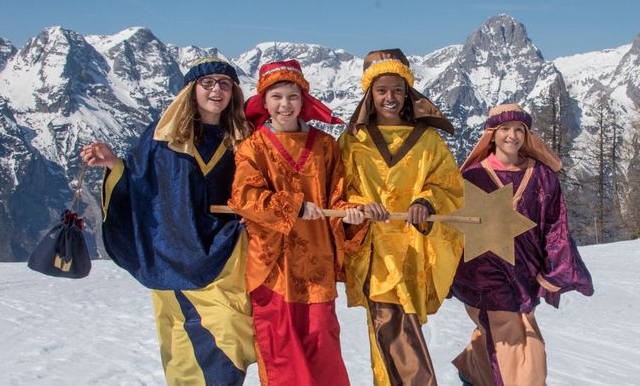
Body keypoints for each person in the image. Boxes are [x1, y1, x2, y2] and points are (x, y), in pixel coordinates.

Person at [80, 57, 255, 386]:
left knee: (230, 334)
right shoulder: (163, 137)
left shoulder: (243, 138)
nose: (216, 90)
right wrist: (114, 165)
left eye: (224, 84)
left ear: (234, 92)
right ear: (192, 90)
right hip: (173, 256)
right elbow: (138, 181)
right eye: (208, 83)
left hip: (227, 258)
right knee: (183, 348)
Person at [227, 59, 364, 386]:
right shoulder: (252, 148)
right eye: (276, 97)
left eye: (292, 97)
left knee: (322, 347)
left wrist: (351, 215)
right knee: (282, 350)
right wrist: (293, 206)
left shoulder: (326, 146)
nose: (284, 105)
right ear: (264, 102)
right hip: (274, 266)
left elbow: (337, 195)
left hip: (318, 264)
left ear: (304, 101)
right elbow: (244, 196)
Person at [339, 48, 463, 386]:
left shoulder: (428, 141)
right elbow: (339, 188)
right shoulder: (353, 141)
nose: (389, 97)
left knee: (400, 328)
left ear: (407, 92)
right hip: (375, 253)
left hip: (413, 250)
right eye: (381, 90)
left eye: (397, 90)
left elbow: (448, 184)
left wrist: (427, 200)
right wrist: (362, 204)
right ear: (370, 94)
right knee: (390, 327)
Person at [451, 104, 594, 386]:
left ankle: (473, 368)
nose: (512, 136)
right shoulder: (471, 178)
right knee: (526, 350)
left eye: (519, 130)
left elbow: (555, 225)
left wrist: (553, 269)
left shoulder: (543, 176)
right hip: (483, 272)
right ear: (491, 134)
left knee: (499, 334)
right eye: (504, 129)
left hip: (526, 272)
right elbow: (452, 226)